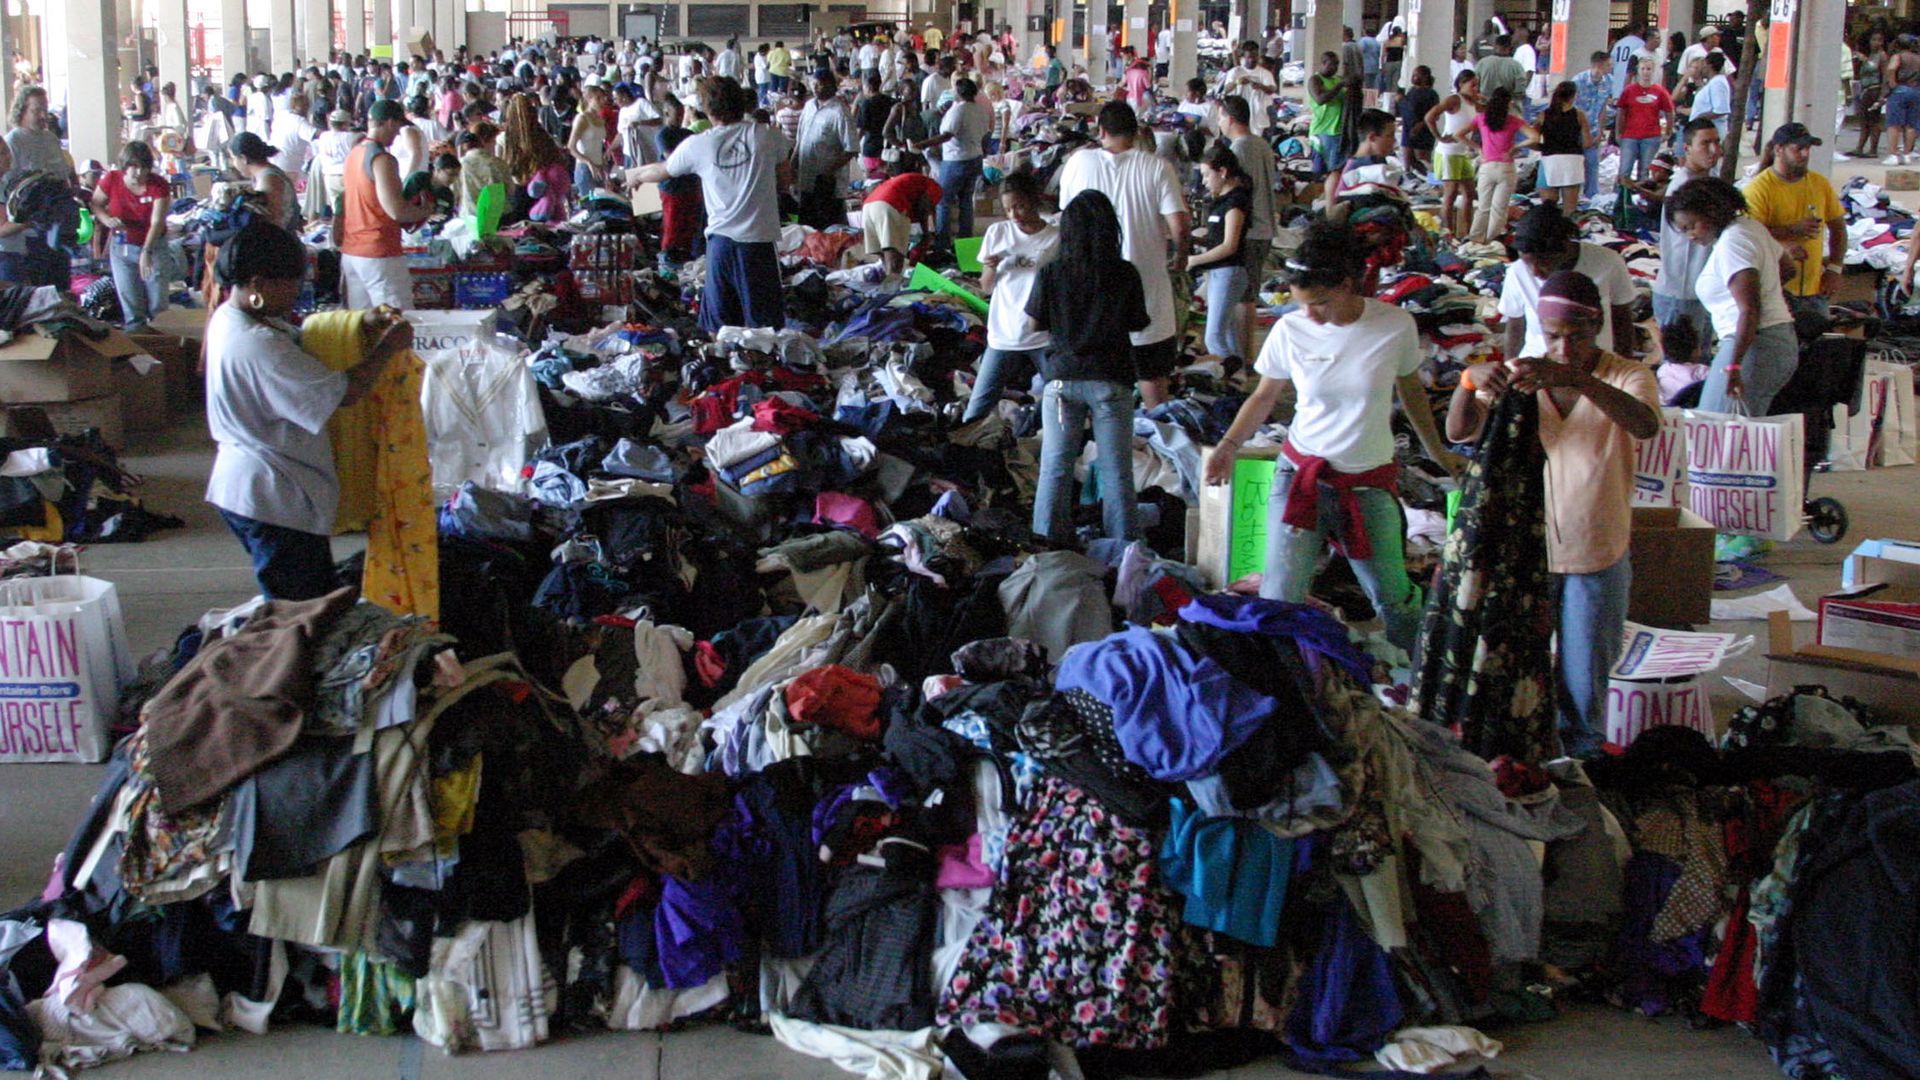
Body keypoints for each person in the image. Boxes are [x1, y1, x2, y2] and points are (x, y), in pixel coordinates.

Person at [1204, 221, 1458, 655]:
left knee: (1393, 599)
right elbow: (1265, 396)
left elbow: (1411, 394)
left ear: (1347, 285)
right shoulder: (1290, 330)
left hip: (1368, 482)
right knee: (1281, 600)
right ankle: (1294, 688)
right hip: (1301, 475)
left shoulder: (1394, 326)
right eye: (1303, 304)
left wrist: (1439, 453)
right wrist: (1228, 448)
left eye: (1320, 302)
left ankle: (1421, 684)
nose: (1311, 315)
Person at [1445, 269, 1661, 758]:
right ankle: (1529, 763)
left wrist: (1578, 380)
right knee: (1519, 674)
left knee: (1584, 682)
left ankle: (1582, 767)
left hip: (1596, 552)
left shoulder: (1626, 374)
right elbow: (1462, 432)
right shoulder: (1524, 374)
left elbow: (1645, 425)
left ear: (1599, 326)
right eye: (1554, 338)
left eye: (1577, 337)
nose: (1563, 349)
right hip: (1527, 554)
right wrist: (1466, 380)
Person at [204, 221, 414, 602]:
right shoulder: (258, 345)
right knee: (303, 612)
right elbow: (344, 392)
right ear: (258, 284)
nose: (297, 291)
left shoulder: (233, 318)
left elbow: (304, 338)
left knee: (308, 599)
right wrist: (387, 348)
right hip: (273, 498)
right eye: (291, 282)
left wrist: (358, 324)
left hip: (254, 489)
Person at [1026, 190, 1146, 545]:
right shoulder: (1124, 274)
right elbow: (1137, 323)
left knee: (1055, 467)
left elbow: (1034, 325)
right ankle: (1124, 552)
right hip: (1111, 379)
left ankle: (1048, 547)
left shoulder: (1051, 272)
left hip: (1062, 381)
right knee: (1116, 471)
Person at [1058, 101, 1189, 409]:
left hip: (1091, 296)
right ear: (1136, 132)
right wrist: (1180, 258)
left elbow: (1066, 218)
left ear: (1101, 130)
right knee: (1153, 378)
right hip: (1147, 290)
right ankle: (1159, 443)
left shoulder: (1078, 162)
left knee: (1096, 384)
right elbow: (1180, 227)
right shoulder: (1157, 167)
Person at [633, 76, 790, 331]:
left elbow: (662, 171)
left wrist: (636, 177)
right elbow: (785, 180)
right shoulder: (769, 136)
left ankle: (726, 369)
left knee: (720, 328)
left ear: (708, 110)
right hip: (758, 245)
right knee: (766, 328)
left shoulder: (699, 144)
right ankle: (763, 369)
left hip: (721, 246)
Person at [1667, 177, 1798, 417]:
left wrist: (1734, 364)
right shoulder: (1749, 227)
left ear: (1711, 211)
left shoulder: (1732, 242)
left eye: (1691, 226)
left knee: (1715, 429)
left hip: (1754, 345)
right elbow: (1788, 268)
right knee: (1737, 432)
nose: (1691, 236)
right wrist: (1768, 292)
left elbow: (1749, 310)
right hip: (1774, 340)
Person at [963, 170, 1057, 423]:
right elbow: (986, 286)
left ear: (1034, 200)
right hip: (1004, 330)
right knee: (978, 405)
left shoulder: (1055, 238)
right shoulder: (998, 232)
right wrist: (991, 267)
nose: (1014, 215)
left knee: (1062, 397)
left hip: (1042, 334)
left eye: (1020, 206)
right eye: (1008, 209)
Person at [1500, 203, 1639, 362]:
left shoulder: (1608, 262)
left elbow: (1622, 322)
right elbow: (1516, 326)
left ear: (1564, 248)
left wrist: (1624, 365)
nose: (1535, 273)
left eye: (1542, 264)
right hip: (1536, 367)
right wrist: (1509, 367)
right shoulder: (1518, 271)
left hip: (1595, 367)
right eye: (1528, 264)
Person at [1742, 122, 1845, 321]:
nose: (1805, 154)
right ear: (1779, 149)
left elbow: (1839, 228)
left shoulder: (1819, 184)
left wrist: (1834, 269)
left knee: (1817, 347)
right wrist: (1789, 232)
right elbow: (1749, 235)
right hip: (1776, 289)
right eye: (1798, 148)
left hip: (1815, 290)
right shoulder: (1758, 189)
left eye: (1808, 149)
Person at [340, 99, 433, 309]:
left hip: (352, 251)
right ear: (390, 122)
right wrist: (424, 210)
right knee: (396, 324)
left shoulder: (354, 154)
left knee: (362, 326)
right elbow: (396, 210)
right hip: (379, 252)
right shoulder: (382, 159)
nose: (398, 134)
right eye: (398, 127)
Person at [1650, 118, 1724, 346]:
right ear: (1687, 148)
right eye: (1705, 143)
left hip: (1701, 293)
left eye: (1717, 142)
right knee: (1681, 372)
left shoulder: (1709, 182)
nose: (1714, 150)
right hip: (1681, 294)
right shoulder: (1684, 187)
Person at [90, 142, 173, 332]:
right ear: (124, 166)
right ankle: (137, 348)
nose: (138, 173)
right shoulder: (111, 179)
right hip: (122, 248)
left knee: (158, 306)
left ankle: (164, 347)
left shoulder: (158, 185)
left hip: (153, 246)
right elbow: (95, 204)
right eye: (133, 167)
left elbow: (157, 221)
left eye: (143, 168)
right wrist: (107, 219)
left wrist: (147, 251)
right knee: (131, 306)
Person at [1188, 144, 1253, 366]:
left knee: (1213, 338)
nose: (1205, 181)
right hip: (1219, 273)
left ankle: (1229, 380)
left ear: (1223, 172)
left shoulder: (1236, 202)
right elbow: (1217, 234)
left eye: (1207, 175)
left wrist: (1194, 260)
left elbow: (1229, 245)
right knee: (1228, 336)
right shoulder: (1221, 201)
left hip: (1229, 272)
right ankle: (1238, 380)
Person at [913, 76, 989, 242]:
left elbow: (947, 135)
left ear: (958, 92)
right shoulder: (980, 110)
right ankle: (965, 238)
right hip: (975, 157)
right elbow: (985, 134)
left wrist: (922, 144)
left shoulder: (959, 110)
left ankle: (943, 240)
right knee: (966, 200)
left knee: (943, 200)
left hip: (956, 160)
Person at [1464, 87, 1528, 244]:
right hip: (1506, 168)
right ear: (1508, 103)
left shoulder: (1481, 118)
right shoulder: (1513, 120)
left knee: (1483, 208)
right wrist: (1515, 148)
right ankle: (1491, 241)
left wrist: (1478, 148)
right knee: (1499, 210)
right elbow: (1534, 136)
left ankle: (1475, 240)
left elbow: (1458, 134)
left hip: (1487, 167)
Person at [794, 72, 857, 230]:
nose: (815, 88)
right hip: (806, 180)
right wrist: (792, 164)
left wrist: (827, 172)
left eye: (820, 84)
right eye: (813, 84)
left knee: (828, 228)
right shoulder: (809, 106)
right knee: (807, 228)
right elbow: (800, 139)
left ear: (831, 85)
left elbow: (851, 148)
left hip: (827, 185)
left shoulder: (840, 112)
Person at [859, 155, 940, 275]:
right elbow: (924, 207)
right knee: (895, 260)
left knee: (884, 259)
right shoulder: (935, 187)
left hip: (868, 206)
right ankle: (892, 290)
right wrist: (926, 234)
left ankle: (886, 286)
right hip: (888, 205)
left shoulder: (909, 181)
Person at [1426, 69, 1480, 238]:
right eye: (1473, 85)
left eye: (1477, 85)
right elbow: (1430, 116)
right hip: (1448, 153)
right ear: (1462, 84)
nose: (1476, 88)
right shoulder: (1454, 99)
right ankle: (1447, 234)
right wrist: (1439, 137)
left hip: (1462, 153)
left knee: (1470, 193)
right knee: (1450, 194)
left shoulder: (1473, 102)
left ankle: (1465, 232)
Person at [1614, 59, 1674, 184]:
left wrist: (1668, 131)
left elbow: (1670, 112)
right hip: (1630, 135)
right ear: (1638, 71)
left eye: (1649, 69)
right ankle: (1620, 198)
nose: (1646, 72)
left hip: (1651, 136)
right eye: (1643, 69)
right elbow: (1621, 112)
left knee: (1645, 171)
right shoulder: (1629, 90)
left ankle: (1642, 197)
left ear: (1653, 71)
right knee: (1625, 169)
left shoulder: (1660, 91)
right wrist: (1618, 132)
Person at [1538, 81, 1593, 216]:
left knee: (1548, 209)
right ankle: (1566, 235)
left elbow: (1532, 139)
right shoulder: (1579, 115)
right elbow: (1587, 142)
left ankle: (1548, 235)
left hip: (1549, 162)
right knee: (1569, 210)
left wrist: (1542, 147)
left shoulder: (1544, 115)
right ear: (1573, 96)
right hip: (1572, 162)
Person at [229, 131, 301, 233]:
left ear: (244, 158)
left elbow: (272, 221)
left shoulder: (268, 180)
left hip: (282, 243)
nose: (233, 164)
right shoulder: (262, 174)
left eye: (233, 158)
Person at [5, 87, 66, 179]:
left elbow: (64, 173)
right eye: (37, 110)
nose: (43, 115)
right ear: (22, 111)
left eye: (45, 110)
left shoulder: (50, 138)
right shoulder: (12, 142)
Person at [1847, 31, 1890, 161]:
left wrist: (1882, 96)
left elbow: (1885, 76)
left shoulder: (1882, 56)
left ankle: (1873, 149)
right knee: (1864, 120)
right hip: (1865, 90)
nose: (1875, 43)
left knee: (1873, 121)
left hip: (1874, 90)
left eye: (1879, 40)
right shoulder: (1872, 55)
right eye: (1873, 40)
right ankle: (1859, 147)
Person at [1220, 43, 1277, 137]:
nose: (1252, 59)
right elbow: (1226, 89)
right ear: (1244, 57)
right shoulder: (1235, 72)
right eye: (1249, 57)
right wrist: (1237, 82)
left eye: (1255, 56)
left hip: (1258, 113)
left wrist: (1260, 86)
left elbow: (1272, 89)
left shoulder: (1265, 73)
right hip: (1239, 113)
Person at [456, 123, 510, 219]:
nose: (495, 144)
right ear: (484, 141)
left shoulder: (460, 164)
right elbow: (510, 190)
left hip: (470, 216)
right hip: (499, 215)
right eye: (493, 141)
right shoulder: (498, 163)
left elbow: (455, 193)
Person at [1306, 52, 1346, 175]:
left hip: (1338, 131)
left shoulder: (1338, 79)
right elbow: (1320, 99)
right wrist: (1339, 86)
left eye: (1337, 65)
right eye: (1331, 65)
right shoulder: (1315, 80)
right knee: (1320, 171)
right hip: (1322, 131)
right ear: (1323, 63)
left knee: (1335, 171)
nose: (1334, 68)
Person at [1397, 65, 1440, 177]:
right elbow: (1409, 109)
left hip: (1423, 133)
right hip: (1408, 131)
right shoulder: (1411, 91)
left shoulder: (1431, 94)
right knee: (1407, 164)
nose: (1414, 77)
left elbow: (1434, 115)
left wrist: (1420, 125)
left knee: (1423, 164)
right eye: (1413, 75)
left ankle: (1430, 183)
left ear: (1425, 77)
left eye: (1417, 75)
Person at [569, 85, 610, 193]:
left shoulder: (600, 119)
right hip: (585, 167)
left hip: (599, 166)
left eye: (603, 98)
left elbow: (599, 145)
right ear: (589, 99)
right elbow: (571, 147)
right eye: (598, 98)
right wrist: (589, 163)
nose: (602, 101)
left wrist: (604, 166)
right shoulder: (582, 119)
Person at [854, 73, 895, 174]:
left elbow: (861, 129)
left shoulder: (866, 104)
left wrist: (854, 146)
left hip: (871, 146)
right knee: (888, 175)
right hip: (889, 145)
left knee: (872, 176)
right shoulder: (890, 100)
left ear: (869, 88)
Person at [1688, 52, 1732, 140]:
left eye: (1703, 64)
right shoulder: (1711, 83)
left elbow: (1720, 110)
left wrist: (1698, 117)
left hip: (1712, 132)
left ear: (1709, 66)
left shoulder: (1718, 83)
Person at [1474, 35, 1528, 102]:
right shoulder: (1516, 66)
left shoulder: (1482, 63)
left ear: (1495, 45)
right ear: (1510, 47)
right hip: (1507, 107)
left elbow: (1474, 84)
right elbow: (1520, 90)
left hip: (1484, 106)